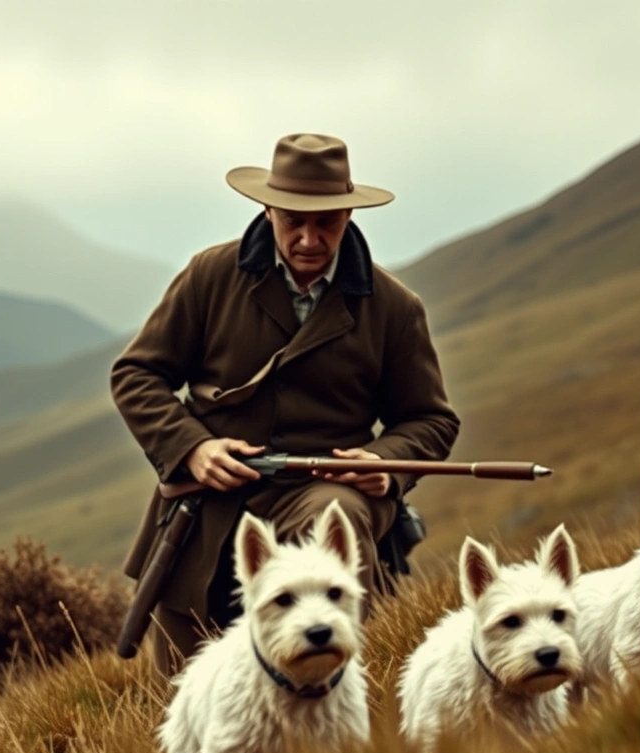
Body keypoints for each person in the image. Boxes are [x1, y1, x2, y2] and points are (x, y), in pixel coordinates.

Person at [111, 134, 460, 676]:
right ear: (268, 208)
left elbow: (431, 420)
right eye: (293, 220)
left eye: (326, 222)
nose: (308, 238)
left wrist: (386, 464)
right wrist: (193, 448)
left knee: (334, 520)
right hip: (209, 503)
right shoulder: (210, 275)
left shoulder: (395, 307)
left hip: (325, 489)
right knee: (187, 695)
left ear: (348, 212)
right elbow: (137, 374)